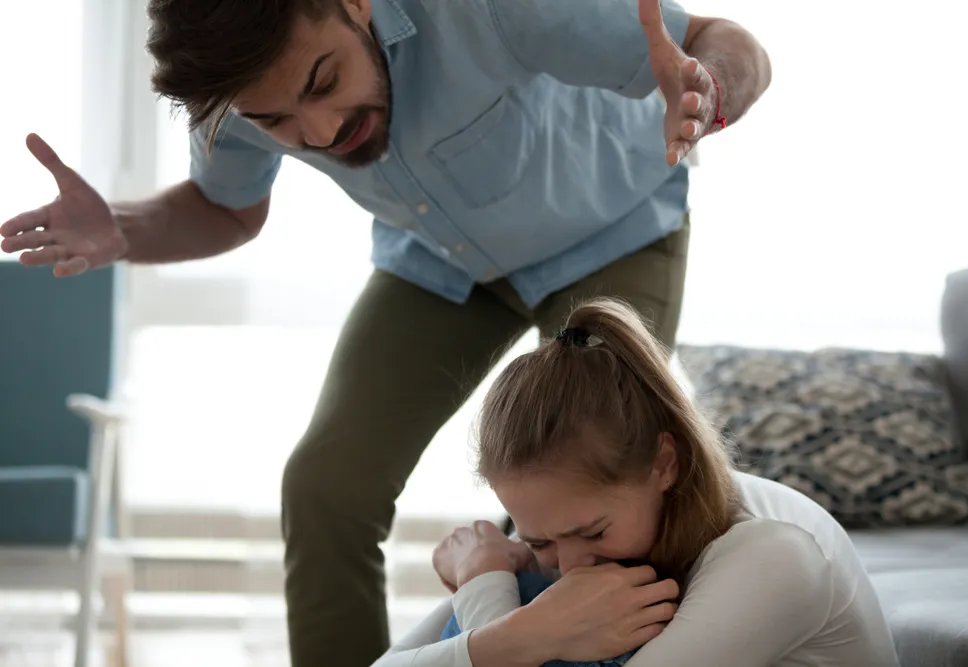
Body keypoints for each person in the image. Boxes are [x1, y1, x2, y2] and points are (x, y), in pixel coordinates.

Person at [0, 1, 771, 664]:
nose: (319, 131)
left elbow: (721, 41)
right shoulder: (234, 93)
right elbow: (229, 209)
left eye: (324, 82)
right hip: (440, 262)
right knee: (325, 486)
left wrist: (710, 89)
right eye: (275, 121)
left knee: (569, 496)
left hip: (613, 231)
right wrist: (122, 228)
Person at [376, 298, 901, 667]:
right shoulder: (570, 528)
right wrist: (517, 614)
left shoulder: (771, 555)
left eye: (594, 532)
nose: (572, 567)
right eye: (538, 540)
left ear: (664, 464)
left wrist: (486, 591)